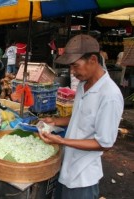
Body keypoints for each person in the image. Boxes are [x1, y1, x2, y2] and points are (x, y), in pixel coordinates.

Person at [39, 34, 124, 199]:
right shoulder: (84, 85)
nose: (73, 72)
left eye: (75, 66)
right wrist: (55, 121)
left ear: (93, 60)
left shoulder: (109, 95)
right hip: (67, 167)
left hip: (83, 177)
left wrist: (61, 141)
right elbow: (79, 116)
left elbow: (104, 143)